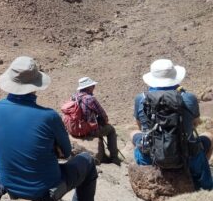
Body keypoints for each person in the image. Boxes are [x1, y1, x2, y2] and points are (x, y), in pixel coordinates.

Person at [0, 56, 98, 201]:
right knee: (88, 162)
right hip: (44, 191)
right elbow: (67, 152)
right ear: (35, 85)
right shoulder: (49, 116)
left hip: (9, 186)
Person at [131, 58, 213, 190]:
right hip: (186, 154)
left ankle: (145, 168)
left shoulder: (141, 98)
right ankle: (202, 184)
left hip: (150, 155)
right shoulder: (189, 97)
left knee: (134, 134)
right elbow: (195, 123)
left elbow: (140, 125)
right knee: (209, 136)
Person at [70, 77, 119, 163]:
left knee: (97, 124)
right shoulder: (90, 98)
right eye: (92, 86)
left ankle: (103, 152)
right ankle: (114, 157)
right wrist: (105, 122)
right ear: (88, 87)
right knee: (111, 129)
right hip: (88, 130)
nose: (94, 87)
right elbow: (103, 114)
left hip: (76, 128)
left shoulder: (74, 96)